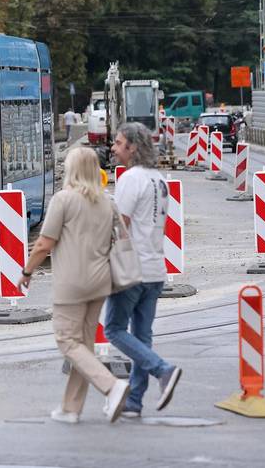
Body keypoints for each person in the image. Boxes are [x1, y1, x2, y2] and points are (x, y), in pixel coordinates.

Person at [19, 147, 131, 424]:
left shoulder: (63, 199)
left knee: (67, 341)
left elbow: (45, 243)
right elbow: (124, 239)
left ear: (72, 170)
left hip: (72, 283)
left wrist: (27, 271)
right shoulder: (108, 202)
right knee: (84, 345)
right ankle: (71, 408)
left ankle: (111, 385)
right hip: (101, 282)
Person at [105, 122, 182, 418]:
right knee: (142, 336)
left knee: (113, 329)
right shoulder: (159, 180)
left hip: (131, 269)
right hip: (155, 269)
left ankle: (163, 370)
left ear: (133, 147)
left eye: (119, 142)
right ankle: (135, 402)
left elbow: (119, 224)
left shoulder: (130, 179)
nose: (114, 147)